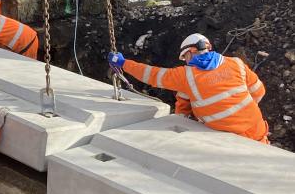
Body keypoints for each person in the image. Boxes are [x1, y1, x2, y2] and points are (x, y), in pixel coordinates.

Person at [108, 33, 269, 143]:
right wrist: (241, 112)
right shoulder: (235, 63)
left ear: (190, 53)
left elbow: (152, 75)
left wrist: (123, 63)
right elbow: (259, 91)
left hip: (229, 139)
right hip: (256, 128)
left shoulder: (186, 75)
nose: (185, 61)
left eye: (185, 57)